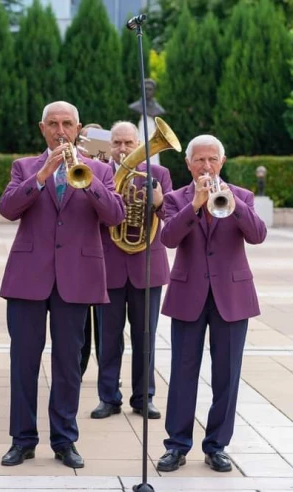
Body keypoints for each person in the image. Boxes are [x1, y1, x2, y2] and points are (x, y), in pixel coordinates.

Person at [0, 101, 125, 468]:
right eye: (52, 123)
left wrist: (89, 181)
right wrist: (40, 176)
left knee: (68, 364)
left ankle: (64, 440)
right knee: (23, 361)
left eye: (67, 123)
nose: (60, 130)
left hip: (77, 278)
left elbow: (114, 215)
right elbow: (7, 209)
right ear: (42, 128)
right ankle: (22, 439)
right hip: (28, 278)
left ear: (78, 128)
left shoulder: (99, 169)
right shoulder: (25, 166)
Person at [156, 135, 266, 473]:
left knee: (227, 375)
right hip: (188, 295)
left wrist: (234, 204)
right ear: (188, 164)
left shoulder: (242, 196)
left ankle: (217, 445)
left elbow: (258, 234)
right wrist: (194, 205)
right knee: (182, 373)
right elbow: (168, 239)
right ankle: (176, 446)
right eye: (200, 160)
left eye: (212, 160)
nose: (206, 166)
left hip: (231, 298)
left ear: (222, 162)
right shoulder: (175, 199)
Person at [90, 121, 172, 421]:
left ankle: (143, 398)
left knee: (145, 338)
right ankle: (108, 397)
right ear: (109, 145)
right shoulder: (96, 172)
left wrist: (160, 203)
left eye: (128, 143)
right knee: (108, 338)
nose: (123, 148)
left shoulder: (159, 174)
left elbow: (172, 217)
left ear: (139, 143)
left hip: (147, 268)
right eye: (117, 143)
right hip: (108, 267)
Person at [76, 123, 104, 378]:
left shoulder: (107, 169)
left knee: (106, 325)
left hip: (110, 253)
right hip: (81, 255)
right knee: (81, 322)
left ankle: (108, 374)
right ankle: (78, 368)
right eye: (83, 140)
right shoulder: (67, 162)